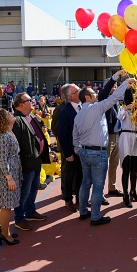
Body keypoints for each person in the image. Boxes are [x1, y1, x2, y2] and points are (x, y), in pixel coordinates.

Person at [73, 76, 135, 226]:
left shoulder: (79, 113)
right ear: (87, 97)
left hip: (84, 152)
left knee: (85, 183)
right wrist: (126, 83)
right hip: (97, 152)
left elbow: (74, 136)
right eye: (93, 94)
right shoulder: (96, 108)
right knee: (98, 185)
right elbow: (114, 97)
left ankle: (83, 211)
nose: (96, 95)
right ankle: (95, 216)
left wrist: (78, 150)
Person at [12, 92, 49, 231]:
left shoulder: (31, 116)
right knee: (24, 192)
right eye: (29, 100)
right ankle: (19, 218)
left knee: (33, 189)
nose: (32, 101)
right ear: (21, 104)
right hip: (26, 162)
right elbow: (15, 146)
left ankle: (30, 212)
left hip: (36, 160)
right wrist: (19, 164)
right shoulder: (16, 120)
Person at [0, 108, 21, 245]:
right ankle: (4, 233)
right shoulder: (2, 137)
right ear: (4, 119)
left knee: (9, 204)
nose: (12, 114)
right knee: (6, 205)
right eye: (8, 114)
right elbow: (2, 159)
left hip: (12, 172)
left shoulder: (10, 133)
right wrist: (9, 178)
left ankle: (4, 229)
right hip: (6, 175)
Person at [99, 70, 128, 199]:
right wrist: (115, 77)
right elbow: (105, 91)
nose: (115, 88)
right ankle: (99, 192)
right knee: (104, 164)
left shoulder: (117, 101)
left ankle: (112, 187)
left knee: (114, 163)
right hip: (108, 136)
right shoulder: (104, 98)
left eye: (116, 87)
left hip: (117, 134)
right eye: (113, 86)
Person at [58, 83, 83, 212]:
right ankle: (68, 200)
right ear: (71, 96)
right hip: (71, 151)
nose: (80, 92)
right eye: (77, 91)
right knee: (69, 176)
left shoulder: (82, 107)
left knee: (80, 175)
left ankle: (80, 198)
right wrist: (68, 153)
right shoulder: (65, 111)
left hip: (81, 149)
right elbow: (61, 135)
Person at [118, 89, 137, 208]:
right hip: (126, 136)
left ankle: (133, 191)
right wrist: (126, 108)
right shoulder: (125, 110)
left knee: (134, 168)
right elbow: (119, 117)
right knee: (126, 168)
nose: (136, 101)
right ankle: (125, 194)